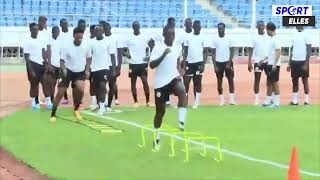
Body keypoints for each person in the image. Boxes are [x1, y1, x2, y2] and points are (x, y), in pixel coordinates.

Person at [149, 26, 187, 151]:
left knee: (182, 90)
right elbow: (152, 65)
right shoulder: (158, 47)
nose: (172, 36)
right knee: (160, 113)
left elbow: (178, 59)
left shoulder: (177, 47)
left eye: (173, 34)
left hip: (173, 77)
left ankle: (181, 121)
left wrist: (180, 69)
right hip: (160, 83)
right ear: (164, 35)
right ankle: (156, 136)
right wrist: (163, 55)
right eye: (169, 34)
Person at [50, 27, 92, 122]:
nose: (80, 39)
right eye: (78, 37)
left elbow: (89, 58)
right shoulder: (67, 46)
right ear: (74, 36)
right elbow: (61, 60)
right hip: (68, 71)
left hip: (80, 71)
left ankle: (76, 109)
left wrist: (87, 69)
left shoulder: (86, 46)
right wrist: (63, 68)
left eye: (81, 37)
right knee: (60, 93)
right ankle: (53, 113)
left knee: (81, 89)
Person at [23, 22, 51, 111]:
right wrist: (30, 70)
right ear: (30, 30)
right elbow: (26, 57)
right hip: (32, 64)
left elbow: (44, 52)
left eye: (37, 29)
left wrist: (46, 63)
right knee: (34, 85)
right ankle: (34, 103)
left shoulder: (41, 39)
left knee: (45, 83)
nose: (36, 31)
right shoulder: (27, 41)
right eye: (34, 29)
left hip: (42, 64)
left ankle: (49, 102)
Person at [123, 21, 151, 107]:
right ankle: (135, 101)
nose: (136, 28)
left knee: (145, 81)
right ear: (132, 27)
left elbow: (147, 48)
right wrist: (129, 57)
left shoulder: (144, 37)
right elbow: (124, 50)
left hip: (142, 63)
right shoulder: (129, 38)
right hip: (133, 64)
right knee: (133, 83)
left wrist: (147, 56)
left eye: (137, 26)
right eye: (134, 26)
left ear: (139, 27)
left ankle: (148, 101)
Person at [182, 20, 209, 109]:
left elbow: (205, 52)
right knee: (186, 82)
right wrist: (184, 62)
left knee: (197, 83)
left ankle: (196, 102)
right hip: (189, 63)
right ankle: (185, 102)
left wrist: (203, 64)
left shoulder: (203, 38)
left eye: (199, 26)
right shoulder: (188, 37)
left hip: (199, 63)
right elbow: (185, 51)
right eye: (196, 26)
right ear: (193, 27)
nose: (198, 28)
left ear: (200, 27)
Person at [90, 25, 116, 115]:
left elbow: (112, 56)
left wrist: (113, 69)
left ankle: (102, 106)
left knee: (102, 86)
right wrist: (88, 68)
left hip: (104, 68)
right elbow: (89, 57)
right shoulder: (91, 42)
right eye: (96, 30)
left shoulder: (108, 42)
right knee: (96, 88)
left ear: (103, 31)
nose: (98, 32)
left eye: (100, 30)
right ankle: (99, 103)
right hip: (94, 69)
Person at [99, 21, 123, 110]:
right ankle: (103, 102)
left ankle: (109, 104)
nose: (106, 30)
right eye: (104, 28)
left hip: (113, 65)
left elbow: (120, 53)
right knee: (102, 85)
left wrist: (119, 67)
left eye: (107, 28)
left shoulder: (116, 38)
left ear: (110, 28)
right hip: (103, 65)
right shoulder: (102, 38)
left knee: (112, 85)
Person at [211, 23, 236, 106]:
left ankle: (232, 100)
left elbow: (232, 51)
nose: (220, 30)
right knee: (219, 81)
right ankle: (221, 100)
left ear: (224, 29)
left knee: (230, 80)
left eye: (221, 29)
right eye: (219, 29)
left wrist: (229, 62)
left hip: (227, 62)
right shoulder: (214, 40)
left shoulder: (229, 39)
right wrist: (215, 65)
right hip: (218, 63)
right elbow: (213, 53)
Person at [287, 26, 312, 105]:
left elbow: (308, 51)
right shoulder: (293, 34)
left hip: (303, 61)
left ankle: (306, 101)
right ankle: (295, 101)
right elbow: (292, 49)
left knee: (305, 81)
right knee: (294, 81)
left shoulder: (307, 35)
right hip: (294, 61)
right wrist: (289, 63)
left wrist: (306, 63)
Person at [248, 20, 269, 105]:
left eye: (262, 25)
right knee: (257, 80)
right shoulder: (254, 37)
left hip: (267, 61)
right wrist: (249, 62)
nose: (261, 27)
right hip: (257, 62)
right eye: (259, 26)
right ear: (257, 27)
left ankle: (269, 98)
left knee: (270, 80)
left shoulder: (268, 36)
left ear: (264, 26)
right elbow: (250, 49)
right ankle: (256, 99)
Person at [263, 22, 281, 108]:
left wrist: (274, 64)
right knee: (269, 83)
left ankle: (277, 103)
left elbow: (278, 51)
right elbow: (271, 53)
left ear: (270, 30)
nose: (266, 32)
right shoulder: (272, 39)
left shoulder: (276, 39)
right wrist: (264, 60)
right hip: (270, 63)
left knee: (274, 83)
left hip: (274, 64)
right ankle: (267, 101)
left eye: (267, 30)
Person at [47, 26, 61, 105]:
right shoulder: (49, 41)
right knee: (51, 83)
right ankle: (51, 99)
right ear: (52, 32)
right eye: (55, 32)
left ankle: (52, 98)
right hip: (52, 65)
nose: (57, 33)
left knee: (56, 83)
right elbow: (48, 52)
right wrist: (49, 64)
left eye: (58, 32)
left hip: (58, 65)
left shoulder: (59, 41)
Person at [59, 18, 72, 104]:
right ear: (61, 25)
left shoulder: (71, 34)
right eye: (63, 24)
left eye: (66, 23)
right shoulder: (58, 35)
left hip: (71, 60)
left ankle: (78, 99)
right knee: (63, 79)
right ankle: (66, 98)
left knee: (75, 80)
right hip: (62, 60)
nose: (65, 25)